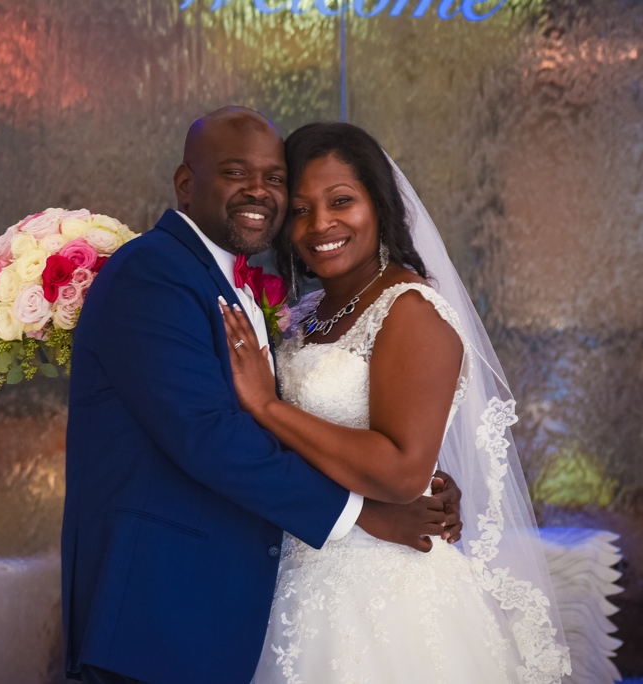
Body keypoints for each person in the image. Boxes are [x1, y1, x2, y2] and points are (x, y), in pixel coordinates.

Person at [62, 107, 465, 684]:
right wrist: (365, 513)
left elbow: (385, 443)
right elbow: (208, 435)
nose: (261, 193)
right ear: (186, 183)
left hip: (301, 600)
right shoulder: (157, 273)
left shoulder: (250, 289)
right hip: (162, 609)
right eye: (235, 173)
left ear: (380, 204)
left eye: (274, 180)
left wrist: (421, 482)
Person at [219, 122, 572, 683]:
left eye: (341, 202)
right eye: (302, 210)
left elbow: (404, 470)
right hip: (296, 568)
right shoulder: (306, 314)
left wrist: (268, 407)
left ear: (379, 206)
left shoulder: (410, 309)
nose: (321, 225)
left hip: (384, 596)